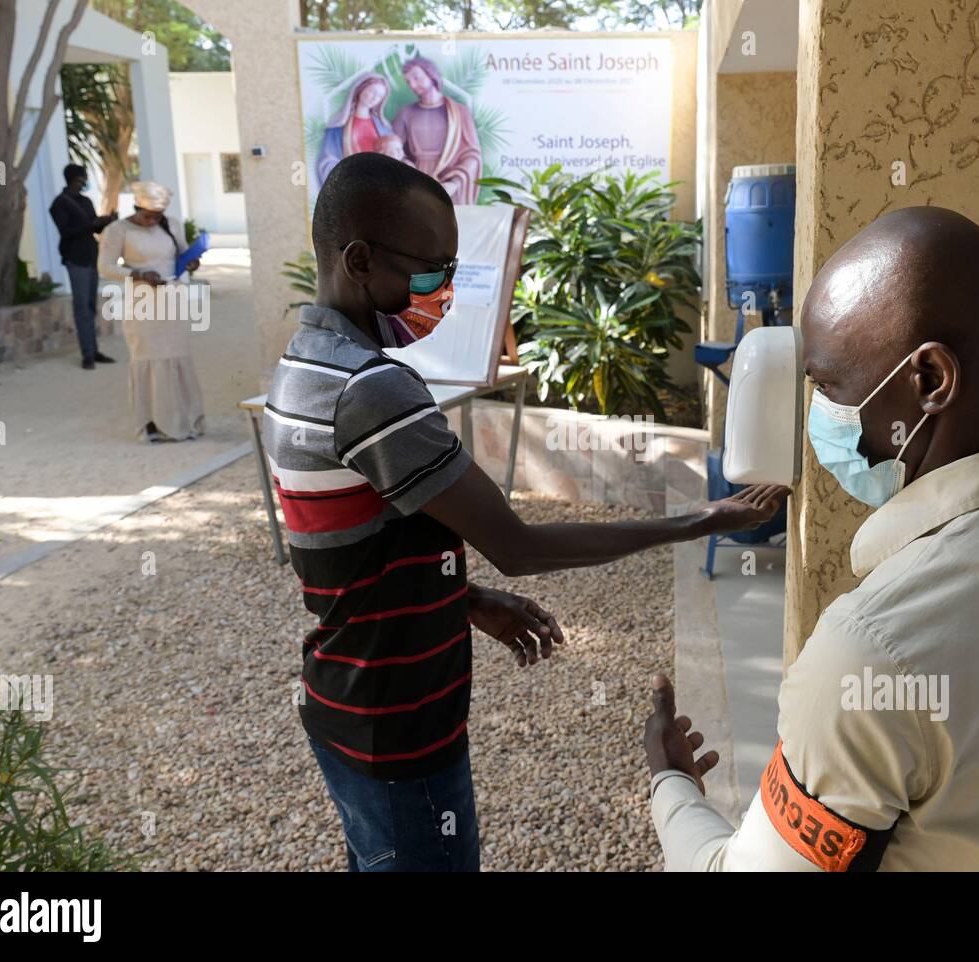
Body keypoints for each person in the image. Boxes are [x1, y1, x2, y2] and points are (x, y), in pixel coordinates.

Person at [262, 152, 785, 872]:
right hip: (400, 728)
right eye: (430, 272)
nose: (444, 292)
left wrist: (464, 597)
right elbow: (518, 543)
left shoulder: (303, 363)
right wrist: (700, 519)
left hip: (345, 707)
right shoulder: (372, 388)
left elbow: (347, 547)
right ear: (358, 260)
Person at [644, 207, 979, 871]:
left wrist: (671, 787)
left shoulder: (872, 651)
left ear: (929, 380)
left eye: (829, 385)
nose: (822, 417)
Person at [98, 181, 204, 443]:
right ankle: (151, 424)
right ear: (136, 208)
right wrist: (138, 274)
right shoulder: (117, 230)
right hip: (140, 301)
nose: (152, 221)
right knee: (148, 357)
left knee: (176, 355)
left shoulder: (172, 225)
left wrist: (192, 262)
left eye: (157, 217)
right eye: (147, 216)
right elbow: (105, 267)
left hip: (173, 297)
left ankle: (185, 421)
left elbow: (182, 255)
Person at [49, 163, 118, 370]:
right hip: (76, 259)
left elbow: (93, 228)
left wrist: (107, 221)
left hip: (90, 257)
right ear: (75, 179)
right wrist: (92, 224)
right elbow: (66, 231)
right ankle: (87, 354)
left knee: (90, 306)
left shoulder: (86, 201)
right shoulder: (59, 204)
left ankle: (94, 350)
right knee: (81, 308)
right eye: (82, 178)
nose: (84, 182)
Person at [390, 56, 482, 205]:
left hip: (450, 183)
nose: (413, 85)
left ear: (430, 74)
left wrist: (454, 183)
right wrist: (406, 166)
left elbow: (472, 155)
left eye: (416, 77)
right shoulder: (405, 113)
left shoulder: (459, 112)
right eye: (408, 82)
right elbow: (392, 151)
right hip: (417, 183)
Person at [315, 71, 395, 193]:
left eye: (379, 96)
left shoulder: (384, 127)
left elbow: (395, 156)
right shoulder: (338, 125)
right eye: (372, 92)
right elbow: (327, 160)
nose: (374, 98)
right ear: (360, 89)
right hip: (354, 187)